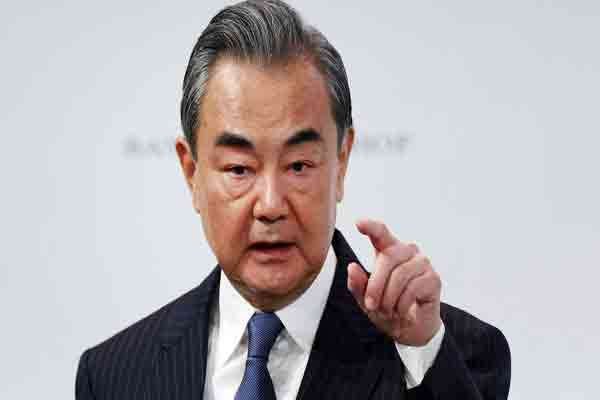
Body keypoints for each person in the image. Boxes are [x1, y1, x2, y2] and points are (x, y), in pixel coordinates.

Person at [75, 1, 511, 399]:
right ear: (192, 172)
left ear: (341, 162)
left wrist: (420, 352)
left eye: (299, 166)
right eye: (239, 169)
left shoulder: (446, 353)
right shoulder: (115, 376)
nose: (270, 205)